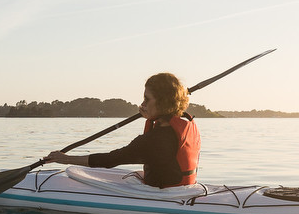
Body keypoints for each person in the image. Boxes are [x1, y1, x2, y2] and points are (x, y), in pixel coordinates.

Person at [47, 72, 200, 189]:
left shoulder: (154, 140)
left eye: (147, 99)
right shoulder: (185, 125)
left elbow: (111, 159)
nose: (142, 103)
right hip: (184, 189)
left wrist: (65, 159)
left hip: (164, 194)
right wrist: (152, 117)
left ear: (163, 103)